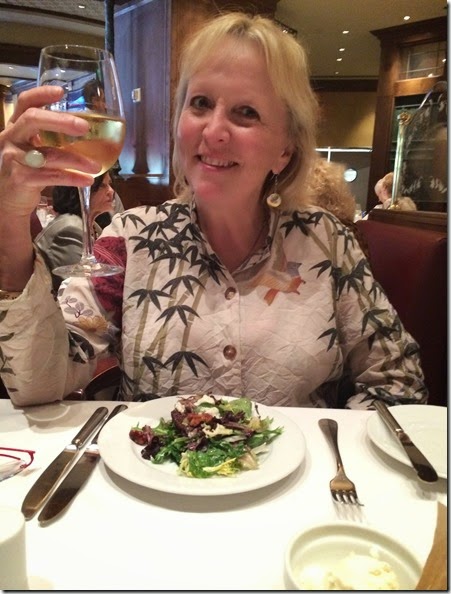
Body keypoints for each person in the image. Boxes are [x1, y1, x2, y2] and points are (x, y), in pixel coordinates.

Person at [0, 12, 427, 408]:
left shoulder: (327, 242)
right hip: (153, 466)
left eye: (246, 112)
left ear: (285, 149)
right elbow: (42, 382)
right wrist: (10, 222)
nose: (214, 131)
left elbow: (398, 382)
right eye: (201, 103)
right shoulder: (128, 241)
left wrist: (330, 454)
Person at [34, 171, 116, 290]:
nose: (111, 191)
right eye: (102, 186)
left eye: (110, 184)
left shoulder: (94, 226)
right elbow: (84, 286)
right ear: (77, 191)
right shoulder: (70, 228)